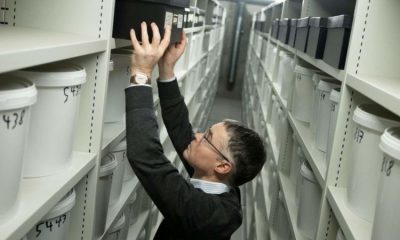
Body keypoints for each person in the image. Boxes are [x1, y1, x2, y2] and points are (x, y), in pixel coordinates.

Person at [125, 22, 266, 240]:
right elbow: (181, 127)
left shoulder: (207, 213)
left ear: (222, 166)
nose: (197, 136)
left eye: (207, 138)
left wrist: (141, 75)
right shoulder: (218, 183)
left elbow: (146, 156)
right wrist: (166, 69)